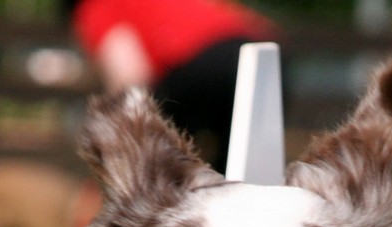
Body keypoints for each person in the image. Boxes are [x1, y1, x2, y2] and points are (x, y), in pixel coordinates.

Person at [63, 0, 277, 171]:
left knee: (155, 165)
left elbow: (131, 76)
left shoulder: (94, 7)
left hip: (203, 63)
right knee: (239, 171)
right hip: (266, 58)